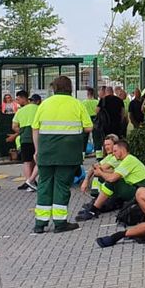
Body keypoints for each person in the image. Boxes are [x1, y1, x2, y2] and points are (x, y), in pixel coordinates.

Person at [31, 75, 92, 234]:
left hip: (46, 152)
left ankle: (40, 223)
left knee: (44, 185)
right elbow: (88, 128)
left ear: (54, 88)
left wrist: (37, 150)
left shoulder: (45, 104)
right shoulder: (77, 104)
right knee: (62, 186)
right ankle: (60, 223)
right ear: (70, 88)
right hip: (68, 153)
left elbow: (35, 128)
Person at [88, 138, 145, 218]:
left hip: (141, 192)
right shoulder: (127, 159)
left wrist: (101, 173)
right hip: (137, 189)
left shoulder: (128, 160)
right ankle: (102, 205)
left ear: (122, 150)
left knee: (112, 182)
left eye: (115, 151)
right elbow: (114, 172)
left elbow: (112, 178)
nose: (113, 154)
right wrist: (101, 172)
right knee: (111, 179)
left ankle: (93, 210)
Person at [8, 93, 41, 191]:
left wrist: (22, 132)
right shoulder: (38, 108)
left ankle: (29, 182)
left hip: (25, 139)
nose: (17, 102)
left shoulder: (20, 111)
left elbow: (14, 126)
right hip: (38, 137)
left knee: (27, 162)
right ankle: (32, 180)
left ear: (24, 98)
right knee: (36, 160)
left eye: (18, 99)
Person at [81, 86, 101, 157]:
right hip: (95, 120)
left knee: (84, 138)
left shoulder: (83, 103)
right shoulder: (97, 102)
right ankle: (98, 155)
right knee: (96, 138)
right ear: (93, 94)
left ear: (87, 94)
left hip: (86, 120)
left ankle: (82, 155)